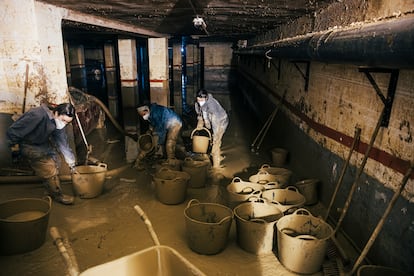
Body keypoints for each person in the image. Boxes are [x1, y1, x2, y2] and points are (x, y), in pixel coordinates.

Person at [7, 103, 77, 205]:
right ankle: (58, 195)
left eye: (67, 122)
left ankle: (49, 187)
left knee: (57, 160)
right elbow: (14, 131)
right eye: (64, 120)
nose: (64, 124)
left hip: (42, 144)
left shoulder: (59, 122)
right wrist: (10, 147)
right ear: (56, 113)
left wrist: (71, 162)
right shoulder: (37, 115)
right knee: (49, 168)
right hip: (29, 145)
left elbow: (62, 142)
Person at [135, 103, 182, 169]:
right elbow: (154, 125)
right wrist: (150, 131)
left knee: (169, 143)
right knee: (174, 142)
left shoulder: (155, 113)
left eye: (143, 114)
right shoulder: (150, 113)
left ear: (146, 110)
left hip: (175, 123)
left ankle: (172, 163)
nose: (143, 117)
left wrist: (158, 143)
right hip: (168, 123)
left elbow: (161, 129)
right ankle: (181, 153)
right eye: (141, 115)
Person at [195, 89, 229, 169]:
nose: (200, 101)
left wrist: (215, 135)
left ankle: (216, 166)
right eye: (198, 99)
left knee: (216, 140)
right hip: (211, 118)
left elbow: (215, 123)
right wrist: (202, 120)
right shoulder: (198, 103)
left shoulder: (212, 106)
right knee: (214, 139)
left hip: (221, 120)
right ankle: (217, 156)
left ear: (206, 98)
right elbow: (200, 113)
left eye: (202, 100)